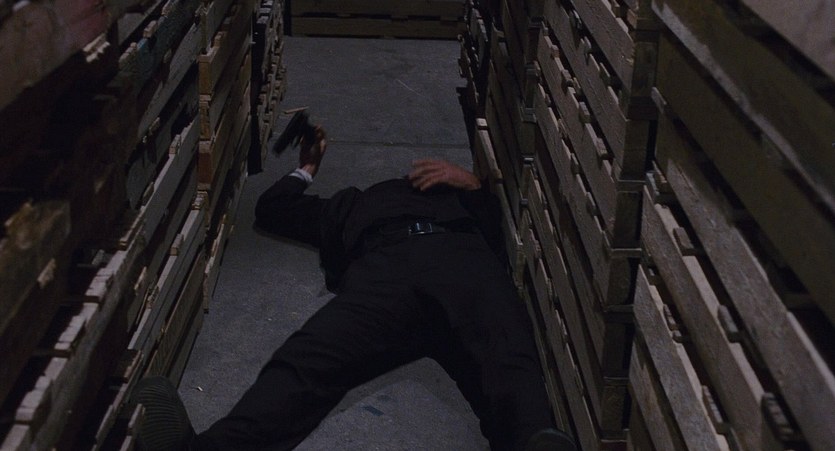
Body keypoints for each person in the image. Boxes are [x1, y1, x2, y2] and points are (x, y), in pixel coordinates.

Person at [132, 125, 578, 451]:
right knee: (308, 360)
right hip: (386, 272)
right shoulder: (348, 206)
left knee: (507, 356)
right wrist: (308, 167)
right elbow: (273, 208)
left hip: (457, 259)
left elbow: (495, 234)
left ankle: (533, 440)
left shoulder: (451, 194)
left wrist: (473, 185)